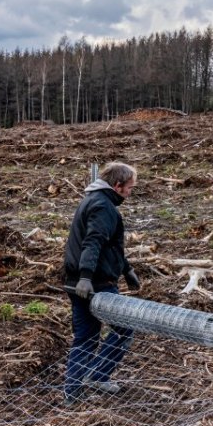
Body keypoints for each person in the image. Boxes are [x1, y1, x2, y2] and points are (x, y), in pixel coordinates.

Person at [62, 162, 141, 404]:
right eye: (129, 188)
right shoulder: (104, 207)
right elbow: (93, 242)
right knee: (124, 327)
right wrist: (86, 277)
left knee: (86, 336)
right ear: (117, 186)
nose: (130, 192)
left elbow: (108, 245)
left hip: (77, 281)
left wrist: (126, 269)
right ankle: (97, 376)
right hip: (95, 284)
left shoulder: (93, 200)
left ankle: (72, 392)